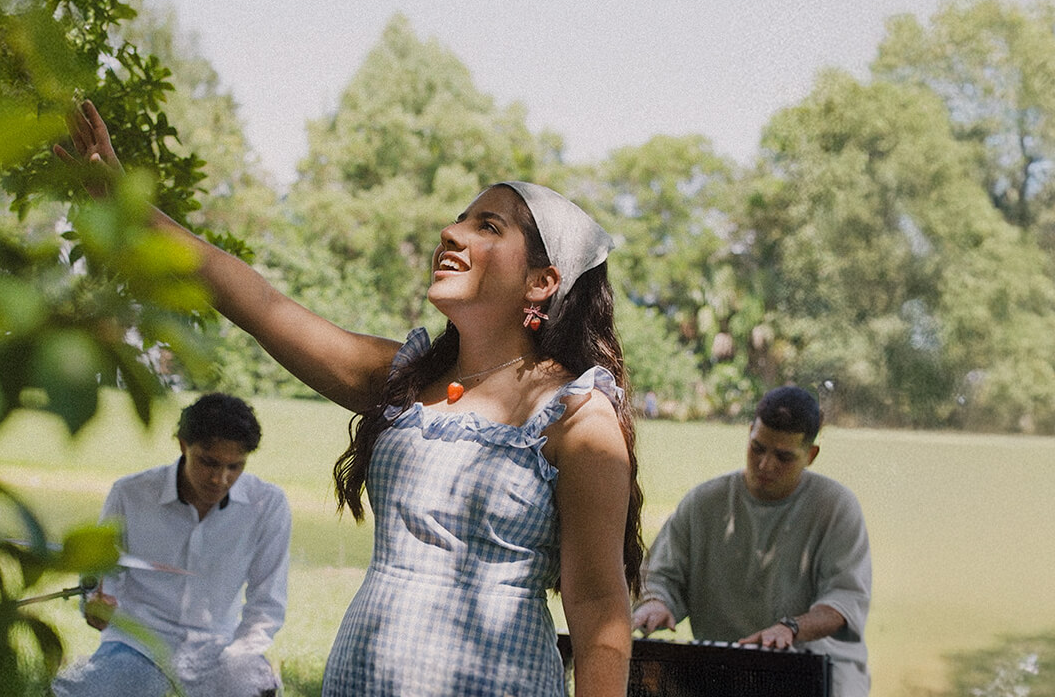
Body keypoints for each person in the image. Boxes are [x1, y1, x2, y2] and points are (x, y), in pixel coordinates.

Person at [58, 102, 642, 696]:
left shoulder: (576, 416)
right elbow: (261, 305)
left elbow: (598, 608)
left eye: (488, 226)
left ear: (543, 281)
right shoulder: (405, 380)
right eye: (460, 218)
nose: (452, 232)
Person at [630, 386, 873, 697]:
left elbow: (844, 603)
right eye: (758, 448)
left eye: (784, 457)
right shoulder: (705, 502)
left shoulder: (836, 507)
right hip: (728, 672)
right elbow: (660, 576)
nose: (765, 465)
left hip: (819, 672)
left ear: (811, 455)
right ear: (748, 433)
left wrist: (790, 628)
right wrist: (655, 603)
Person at [54, 393, 291, 697]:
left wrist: (240, 657)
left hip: (221, 648)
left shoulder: (268, 504)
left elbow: (267, 604)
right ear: (183, 444)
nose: (221, 479)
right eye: (209, 463)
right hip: (137, 643)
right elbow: (101, 578)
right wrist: (95, 606)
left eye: (235, 466)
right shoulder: (129, 493)